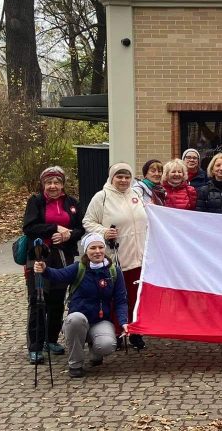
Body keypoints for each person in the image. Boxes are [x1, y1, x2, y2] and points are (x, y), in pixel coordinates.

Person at [33, 233, 128, 378]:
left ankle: (94, 348)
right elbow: (58, 275)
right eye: (93, 248)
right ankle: (75, 365)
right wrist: (45, 269)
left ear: (105, 249)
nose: (97, 251)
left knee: (107, 345)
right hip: (78, 318)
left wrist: (123, 322)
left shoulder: (114, 271)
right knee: (75, 320)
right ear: (86, 250)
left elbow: (121, 300)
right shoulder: (79, 268)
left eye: (100, 247)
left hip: (100, 320)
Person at [21, 166, 84, 364]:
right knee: (38, 299)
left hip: (63, 256)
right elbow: (29, 227)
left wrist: (68, 234)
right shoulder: (36, 202)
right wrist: (54, 228)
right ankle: (35, 346)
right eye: (48, 182)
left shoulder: (72, 203)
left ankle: (51, 339)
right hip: (39, 255)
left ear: (63, 184)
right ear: (43, 184)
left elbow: (81, 228)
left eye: (56, 182)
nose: (53, 186)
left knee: (57, 299)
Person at [82, 162, 148, 349]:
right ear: (112, 178)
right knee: (117, 296)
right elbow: (88, 221)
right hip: (116, 256)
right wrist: (103, 232)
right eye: (119, 176)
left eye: (127, 177)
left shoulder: (136, 195)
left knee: (136, 296)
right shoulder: (101, 197)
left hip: (139, 255)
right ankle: (116, 331)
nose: (124, 180)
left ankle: (136, 332)